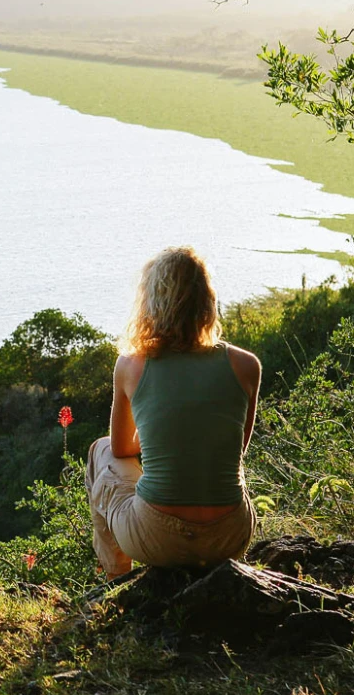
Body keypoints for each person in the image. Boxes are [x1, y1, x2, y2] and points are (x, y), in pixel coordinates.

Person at [85, 247, 261, 579]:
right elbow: (234, 451)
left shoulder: (131, 365)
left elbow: (122, 449)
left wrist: (159, 439)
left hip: (157, 539)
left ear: (151, 303)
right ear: (207, 301)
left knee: (102, 449)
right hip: (230, 537)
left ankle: (116, 577)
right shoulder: (246, 365)